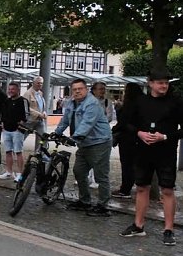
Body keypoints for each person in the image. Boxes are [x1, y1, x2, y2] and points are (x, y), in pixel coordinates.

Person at [119, 69, 183, 246]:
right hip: (143, 151)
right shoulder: (140, 102)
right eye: (160, 82)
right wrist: (139, 133)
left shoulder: (175, 103)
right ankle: (138, 225)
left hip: (166, 152)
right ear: (150, 83)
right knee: (141, 187)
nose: (164, 86)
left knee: (167, 190)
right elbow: (125, 123)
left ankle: (168, 229)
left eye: (166, 83)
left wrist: (165, 137)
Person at [54, 78, 113, 216]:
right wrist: (56, 133)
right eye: (74, 89)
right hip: (85, 143)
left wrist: (75, 138)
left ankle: (103, 206)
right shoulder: (71, 103)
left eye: (80, 89)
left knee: (101, 175)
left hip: (99, 142)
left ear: (86, 89)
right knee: (79, 171)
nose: (77, 91)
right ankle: (84, 201)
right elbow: (65, 119)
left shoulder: (92, 103)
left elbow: (87, 123)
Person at [111, 82, 142, 199]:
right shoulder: (142, 103)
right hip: (138, 138)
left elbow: (123, 122)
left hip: (127, 139)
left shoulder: (129, 105)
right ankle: (132, 187)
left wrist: (114, 130)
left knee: (127, 165)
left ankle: (125, 189)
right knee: (134, 164)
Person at [0, 81, 29, 180]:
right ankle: (9, 172)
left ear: (18, 90)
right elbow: (3, 114)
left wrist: (20, 127)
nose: (11, 91)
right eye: (9, 89)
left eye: (13, 89)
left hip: (17, 131)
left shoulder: (23, 101)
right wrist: (3, 125)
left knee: (18, 152)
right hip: (6, 130)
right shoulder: (7, 101)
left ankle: (20, 174)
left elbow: (26, 115)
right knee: (8, 151)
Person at [23, 76, 48, 151]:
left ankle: (40, 153)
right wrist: (38, 114)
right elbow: (26, 108)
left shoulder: (40, 93)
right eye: (38, 83)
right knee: (22, 137)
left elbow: (41, 106)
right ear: (33, 83)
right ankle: (15, 151)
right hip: (30, 121)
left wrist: (44, 112)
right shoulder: (27, 94)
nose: (40, 85)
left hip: (39, 121)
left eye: (41, 83)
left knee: (43, 137)